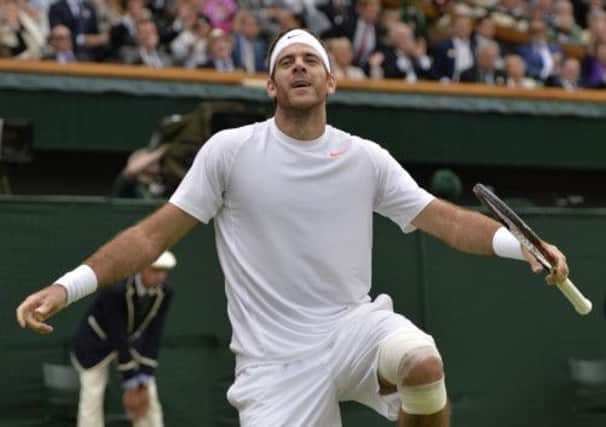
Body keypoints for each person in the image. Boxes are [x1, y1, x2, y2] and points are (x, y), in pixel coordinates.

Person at [16, 28, 570, 427]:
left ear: (330, 81)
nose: (299, 67)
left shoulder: (365, 158)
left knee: (421, 364)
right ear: (272, 85)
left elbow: (445, 221)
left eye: (310, 59)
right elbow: (150, 236)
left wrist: (520, 245)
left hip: (351, 329)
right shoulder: (228, 153)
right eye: (287, 62)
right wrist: (68, 286)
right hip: (273, 365)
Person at [71, 251, 176, 427]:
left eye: (164, 271)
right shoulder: (115, 289)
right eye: (155, 270)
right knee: (93, 395)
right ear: (141, 269)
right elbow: (116, 333)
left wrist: (143, 377)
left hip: (129, 342)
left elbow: (154, 333)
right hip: (94, 345)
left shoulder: (165, 292)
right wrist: (130, 381)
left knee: (149, 392)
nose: (160, 276)